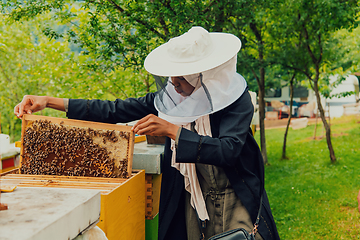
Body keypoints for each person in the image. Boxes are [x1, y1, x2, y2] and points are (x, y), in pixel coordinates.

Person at [14, 26, 280, 240]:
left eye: (180, 79)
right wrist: (50, 101)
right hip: (191, 197)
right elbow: (115, 109)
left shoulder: (237, 100)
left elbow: (229, 150)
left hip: (234, 195)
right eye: (171, 79)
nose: (173, 85)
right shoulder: (173, 97)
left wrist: (173, 131)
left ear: (204, 76)